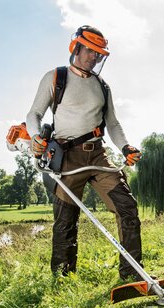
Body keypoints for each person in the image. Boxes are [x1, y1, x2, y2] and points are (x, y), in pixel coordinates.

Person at [25, 25, 144, 281]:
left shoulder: (103, 86)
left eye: (98, 53)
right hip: (67, 157)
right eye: (90, 50)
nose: (94, 57)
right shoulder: (56, 77)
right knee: (65, 221)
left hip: (98, 156)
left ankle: (132, 275)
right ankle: (63, 279)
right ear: (76, 47)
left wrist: (126, 147)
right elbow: (34, 114)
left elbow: (112, 123)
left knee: (127, 208)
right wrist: (35, 136)